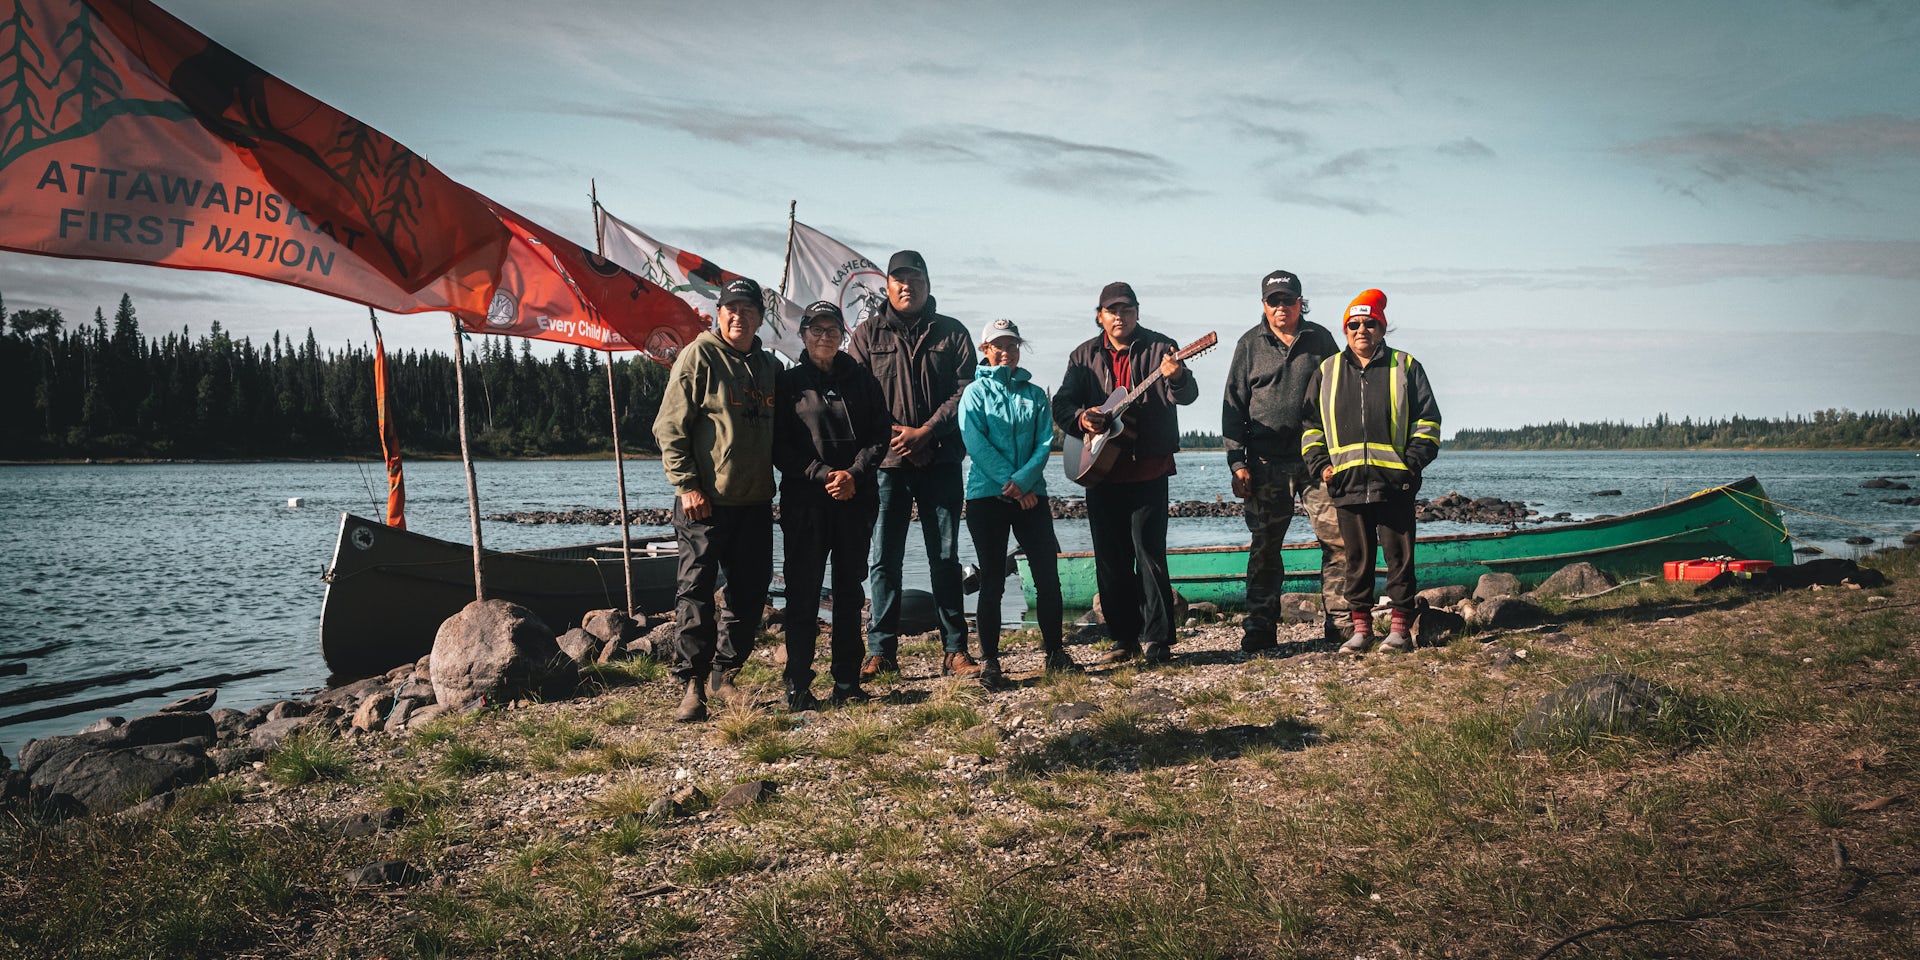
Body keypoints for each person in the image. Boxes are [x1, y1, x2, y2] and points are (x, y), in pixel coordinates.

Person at [847, 250, 980, 680]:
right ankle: (881, 651)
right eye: (899, 279)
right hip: (885, 466)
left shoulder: (953, 333)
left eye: (915, 279)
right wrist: (898, 437)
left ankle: (955, 650)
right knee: (884, 558)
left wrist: (927, 432)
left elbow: (965, 393)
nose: (907, 286)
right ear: (886, 285)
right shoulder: (866, 335)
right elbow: (857, 398)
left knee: (945, 557)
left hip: (940, 461)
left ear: (927, 283)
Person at [1050, 282, 1197, 665]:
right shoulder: (1083, 356)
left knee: (1149, 554)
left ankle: (1158, 640)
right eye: (1112, 310)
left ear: (1137, 312)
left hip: (1149, 466)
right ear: (1099, 315)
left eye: (1127, 309)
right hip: (1101, 470)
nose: (1120, 316)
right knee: (1110, 559)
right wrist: (1083, 418)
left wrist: (1177, 376)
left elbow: (1188, 395)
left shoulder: (1162, 348)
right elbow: (1062, 404)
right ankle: (1123, 639)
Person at [653, 277, 780, 721]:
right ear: (717, 313)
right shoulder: (699, 355)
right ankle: (692, 682)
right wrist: (686, 484)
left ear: (761, 318)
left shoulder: (768, 367)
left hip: (755, 500)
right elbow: (669, 427)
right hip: (702, 503)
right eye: (731, 308)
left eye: (748, 309)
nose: (738, 316)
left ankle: (725, 674)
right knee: (696, 592)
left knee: (750, 591)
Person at [1301, 289, 1442, 654]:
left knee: (1400, 558)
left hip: (1394, 485)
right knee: (1356, 562)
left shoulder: (1406, 366)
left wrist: (1409, 466)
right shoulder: (1327, 371)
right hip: (1346, 485)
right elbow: (1310, 427)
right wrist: (1321, 467)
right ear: (1345, 330)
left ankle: (1400, 630)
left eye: (1369, 324)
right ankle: (1361, 631)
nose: (1361, 330)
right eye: (1353, 325)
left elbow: (1428, 422)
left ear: (1382, 328)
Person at [1222, 269, 1347, 652]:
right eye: (1273, 301)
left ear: (1300, 302)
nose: (1281, 307)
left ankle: (1341, 623)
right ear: (1263, 305)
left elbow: (1340, 394)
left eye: (1288, 300)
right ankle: (1259, 626)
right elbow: (1233, 407)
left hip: (1317, 461)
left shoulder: (1321, 340)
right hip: (1263, 464)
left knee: (1339, 542)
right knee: (1264, 546)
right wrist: (1237, 463)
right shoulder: (1248, 345)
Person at [774, 302, 891, 710]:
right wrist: (824, 474)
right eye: (816, 329)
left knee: (848, 592)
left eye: (832, 329)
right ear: (803, 333)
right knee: (803, 594)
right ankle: (798, 685)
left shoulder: (863, 379)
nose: (825, 336)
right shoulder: (788, 383)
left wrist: (853, 474)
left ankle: (846, 682)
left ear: (843, 334)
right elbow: (781, 448)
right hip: (805, 502)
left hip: (855, 500)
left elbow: (880, 436)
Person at [959, 319, 1080, 686]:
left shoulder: (1033, 394)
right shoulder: (973, 395)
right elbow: (975, 444)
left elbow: (1045, 442)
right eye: (999, 345)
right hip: (986, 497)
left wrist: (1025, 483)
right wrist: (1012, 483)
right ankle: (991, 662)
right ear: (985, 349)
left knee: (1047, 576)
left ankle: (1055, 653)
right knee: (992, 579)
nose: (1007, 351)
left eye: (1012, 344)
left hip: (1032, 498)